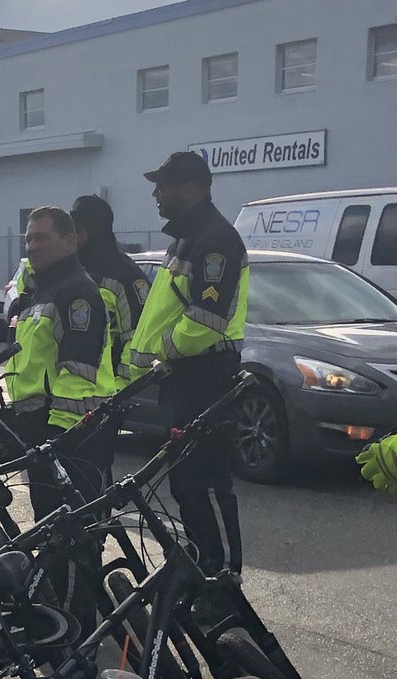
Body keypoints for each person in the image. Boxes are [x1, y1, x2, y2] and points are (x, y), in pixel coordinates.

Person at [126, 151, 249, 584]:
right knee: (185, 485)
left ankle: (223, 577)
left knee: (208, 481)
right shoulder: (185, 239)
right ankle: (201, 569)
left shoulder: (215, 241)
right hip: (184, 379)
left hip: (205, 377)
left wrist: (166, 350)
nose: (156, 193)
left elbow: (204, 320)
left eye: (164, 185)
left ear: (192, 188)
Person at [5, 206, 117, 520]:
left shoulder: (77, 291)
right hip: (41, 434)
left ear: (70, 241)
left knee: (76, 533)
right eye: (28, 239)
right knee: (49, 528)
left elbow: (77, 372)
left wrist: (56, 438)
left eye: (41, 237)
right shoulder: (41, 292)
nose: (32, 246)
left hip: (70, 437)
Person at [70, 194, 150, 383]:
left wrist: (119, 391)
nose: (72, 237)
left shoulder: (128, 276)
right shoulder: (72, 270)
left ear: (94, 230)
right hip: (70, 391)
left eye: (77, 230)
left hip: (108, 393)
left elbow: (137, 341)